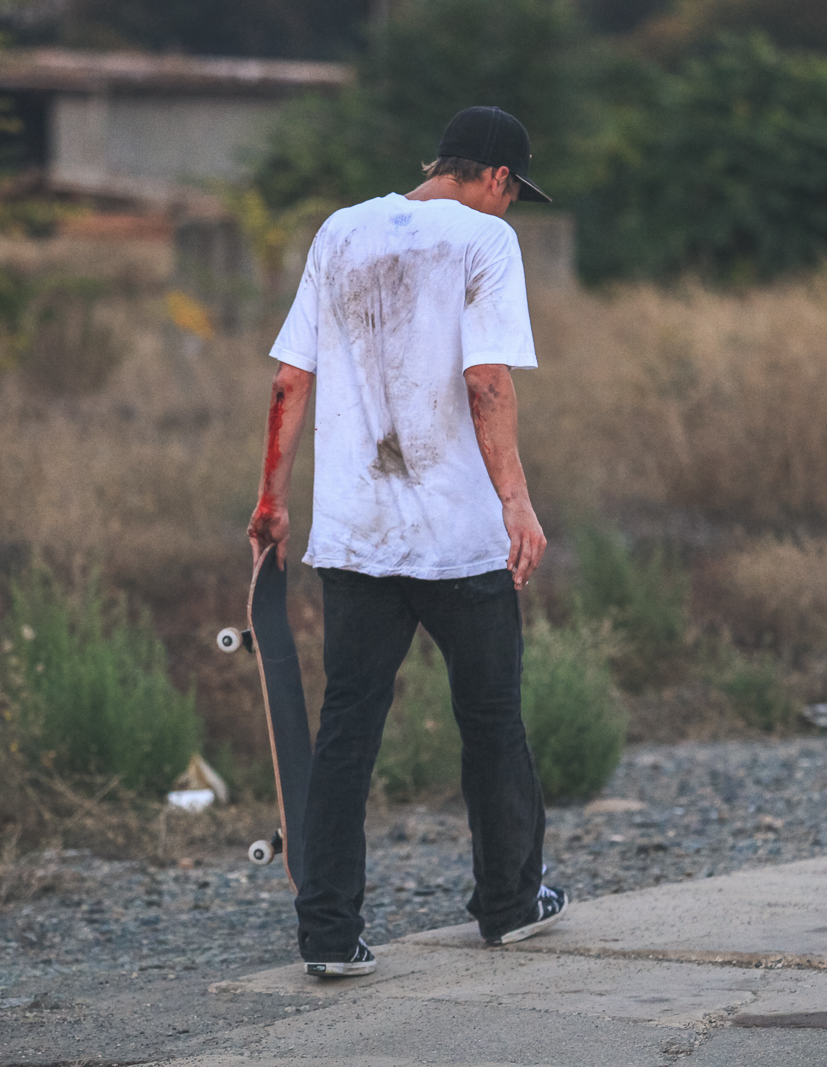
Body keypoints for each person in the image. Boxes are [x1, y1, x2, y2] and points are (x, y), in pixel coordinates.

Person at [246, 106, 567, 978]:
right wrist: (517, 503)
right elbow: (487, 381)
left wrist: (272, 500)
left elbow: (289, 380)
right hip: (460, 538)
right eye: (513, 191)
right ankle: (508, 904)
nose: (509, 205)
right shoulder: (486, 240)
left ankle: (328, 935)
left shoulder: (340, 230)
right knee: (492, 720)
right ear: (495, 177)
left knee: (346, 729)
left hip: (356, 538)